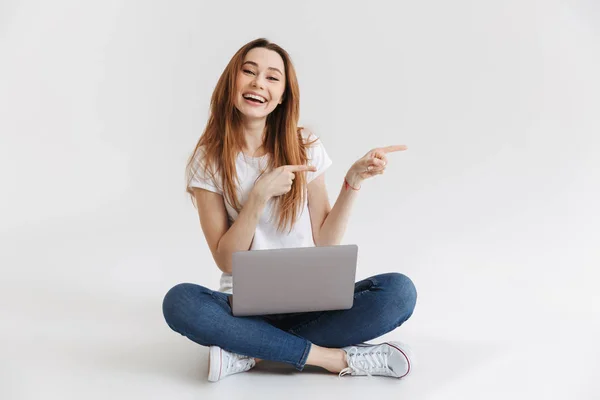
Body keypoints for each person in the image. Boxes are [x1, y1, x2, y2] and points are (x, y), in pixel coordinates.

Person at [162, 38, 417, 382]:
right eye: (249, 72)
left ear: (282, 96)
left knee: (399, 292)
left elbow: (325, 242)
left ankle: (250, 352)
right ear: (231, 84)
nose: (258, 83)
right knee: (179, 302)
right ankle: (330, 358)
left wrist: (352, 180)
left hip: (311, 305)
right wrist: (257, 198)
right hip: (243, 309)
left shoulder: (304, 146)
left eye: (272, 78)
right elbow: (225, 260)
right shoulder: (208, 161)